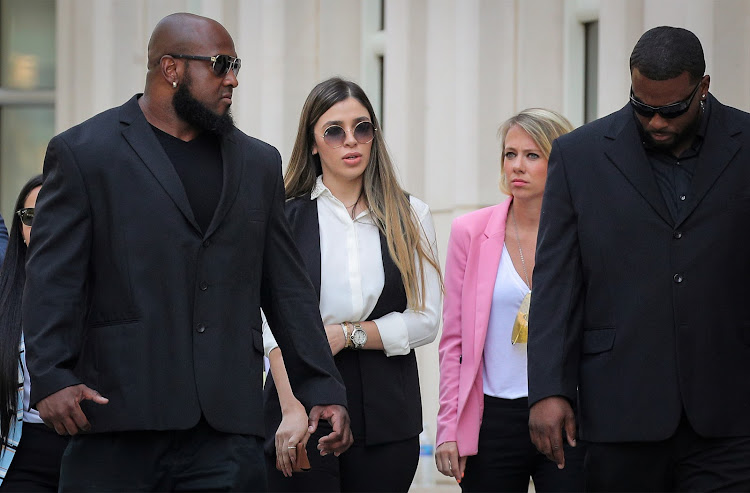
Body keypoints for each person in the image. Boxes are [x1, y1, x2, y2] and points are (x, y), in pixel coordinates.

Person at [22, 13, 352, 492]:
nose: (232, 78)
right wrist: (50, 375)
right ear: (170, 68)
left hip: (225, 434)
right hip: (116, 420)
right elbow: (52, 279)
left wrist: (320, 384)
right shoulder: (84, 153)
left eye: (236, 65)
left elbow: (286, 287)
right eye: (220, 65)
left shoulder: (258, 162)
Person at [528, 26, 750, 491]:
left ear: (703, 87)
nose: (655, 123)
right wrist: (549, 389)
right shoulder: (578, 156)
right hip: (620, 409)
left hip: (731, 411)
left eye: (671, 110)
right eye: (642, 106)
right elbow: (557, 281)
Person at [262, 77, 443, 493]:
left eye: (363, 129)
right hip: (298, 402)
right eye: (334, 131)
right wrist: (289, 406)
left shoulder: (411, 214)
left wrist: (348, 335)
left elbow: (427, 319)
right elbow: (266, 324)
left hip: (386, 409)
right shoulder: (284, 218)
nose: (352, 141)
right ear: (312, 143)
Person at [435, 109, 582, 492]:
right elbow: (454, 341)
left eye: (533, 155)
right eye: (509, 154)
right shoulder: (470, 231)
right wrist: (448, 427)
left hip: (565, 410)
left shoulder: (582, 232)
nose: (517, 166)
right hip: (491, 417)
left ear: (559, 162)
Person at [0, 175, 68, 492]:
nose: (41, 227)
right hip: (20, 453)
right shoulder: (5, 293)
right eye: (31, 217)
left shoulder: (108, 291)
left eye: (54, 214)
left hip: (94, 451)